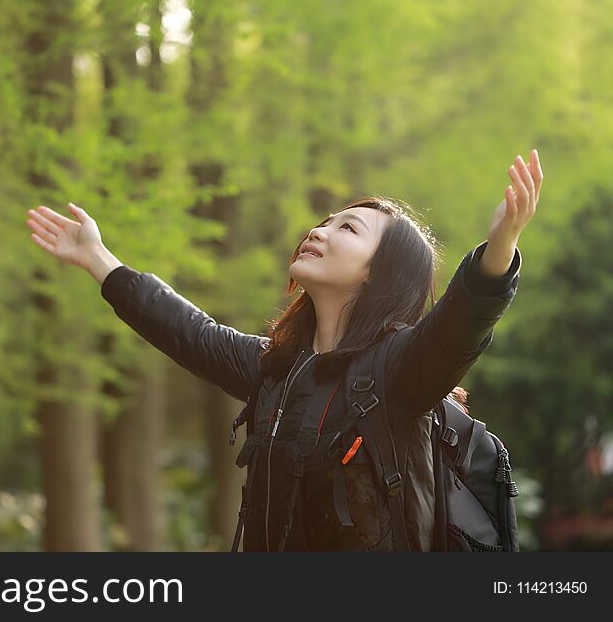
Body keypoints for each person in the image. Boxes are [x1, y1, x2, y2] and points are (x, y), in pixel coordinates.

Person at [26, 149, 543, 551]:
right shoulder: (274, 370)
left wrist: (500, 247)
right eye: (325, 221)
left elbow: (458, 327)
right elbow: (187, 330)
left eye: (348, 228)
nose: (318, 230)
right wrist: (99, 259)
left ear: (377, 272)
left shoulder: (400, 373)